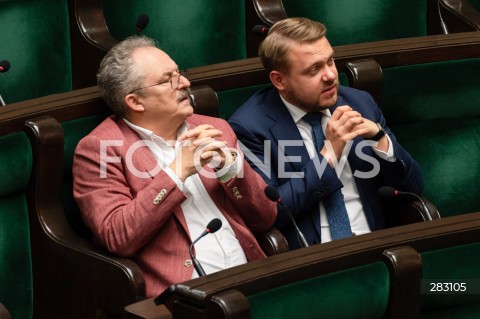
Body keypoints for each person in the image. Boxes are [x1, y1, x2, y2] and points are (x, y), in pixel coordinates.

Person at [72, 36, 276, 297]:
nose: (185, 83)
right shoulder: (101, 149)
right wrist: (176, 173)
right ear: (135, 102)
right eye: (168, 79)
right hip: (184, 295)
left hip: (251, 277)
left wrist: (232, 170)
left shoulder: (216, 129)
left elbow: (265, 217)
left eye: (179, 73)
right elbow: (118, 236)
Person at [228, 17, 423, 250]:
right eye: (314, 69)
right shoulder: (250, 127)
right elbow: (272, 212)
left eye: (330, 61)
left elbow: (413, 187)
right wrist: (328, 155)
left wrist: (381, 139)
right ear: (279, 80)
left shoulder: (359, 103)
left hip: (375, 246)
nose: (330, 75)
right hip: (314, 260)